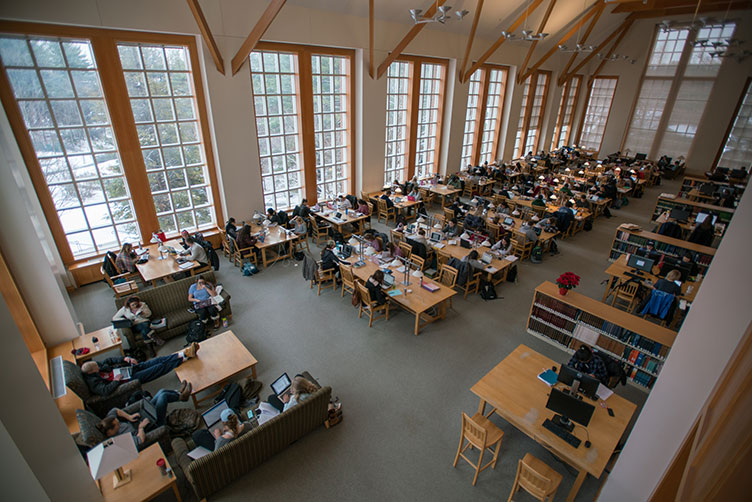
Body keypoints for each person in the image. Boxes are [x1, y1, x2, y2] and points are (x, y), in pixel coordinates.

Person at [80, 345, 199, 396]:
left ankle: (183, 354)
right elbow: (105, 391)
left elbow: (109, 360)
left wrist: (125, 358)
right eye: (97, 368)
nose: (99, 367)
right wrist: (116, 381)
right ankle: (185, 356)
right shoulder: (93, 382)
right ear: (91, 372)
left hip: (126, 369)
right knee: (159, 367)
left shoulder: (95, 366)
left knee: (157, 360)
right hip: (128, 380)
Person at [97, 382, 192, 442]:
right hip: (151, 426)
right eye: (117, 424)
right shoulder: (120, 441)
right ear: (111, 431)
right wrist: (141, 428)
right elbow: (140, 440)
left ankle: (179, 393)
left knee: (162, 391)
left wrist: (129, 417)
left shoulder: (108, 422)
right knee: (163, 397)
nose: (119, 423)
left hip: (141, 418)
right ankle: (181, 397)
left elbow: (115, 410)